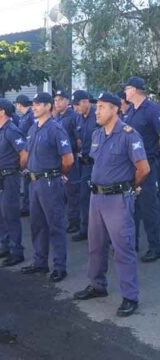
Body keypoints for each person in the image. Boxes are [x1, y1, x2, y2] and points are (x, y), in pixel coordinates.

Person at [74, 92, 150, 317]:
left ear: (115, 109)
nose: (97, 111)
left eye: (102, 108)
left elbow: (143, 169)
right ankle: (97, 285)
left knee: (122, 249)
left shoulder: (129, 135)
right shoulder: (97, 134)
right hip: (96, 198)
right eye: (96, 108)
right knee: (95, 245)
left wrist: (128, 187)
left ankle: (130, 296)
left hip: (118, 199)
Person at [21, 93, 74, 282]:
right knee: (37, 225)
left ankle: (60, 266)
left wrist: (58, 174)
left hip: (50, 182)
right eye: (33, 104)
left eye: (38, 104)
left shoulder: (55, 129)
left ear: (48, 106)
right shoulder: (34, 128)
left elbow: (68, 159)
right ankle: (40, 262)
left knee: (55, 225)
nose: (34, 107)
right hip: (34, 182)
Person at [123, 76, 160, 262]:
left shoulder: (152, 109)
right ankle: (133, 243)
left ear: (135, 90)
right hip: (132, 166)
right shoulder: (130, 111)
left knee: (149, 207)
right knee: (132, 207)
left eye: (127, 88)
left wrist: (153, 154)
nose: (124, 92)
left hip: (148, 164)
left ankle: (155, 246)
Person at [0, 98, 27, 266]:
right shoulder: (0, 130)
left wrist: (16, 169)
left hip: (9, 178)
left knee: (10, 215)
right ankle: (5, 245)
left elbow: (24, 153)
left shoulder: (12, 130)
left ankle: (16, 250)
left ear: (3, 111)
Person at [72, 90, 98, 241]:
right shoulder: (79, 119)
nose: (76, 108)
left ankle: (100, 233)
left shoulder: (98, 116)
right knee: (84, 197)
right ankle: (85, 229)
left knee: (99, 199)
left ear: (86, 101)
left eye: (77, 104)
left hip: (98, 164)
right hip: (84, 164)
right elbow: (79, 140)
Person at [54, 90, 81, 233]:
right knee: (62, 193)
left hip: (70, 160)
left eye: (60, 99)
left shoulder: (73, 117)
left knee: (72, 193)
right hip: (59, 161)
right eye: (55, 100)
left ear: (67, 101)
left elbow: (78, 141)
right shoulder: (57, 117)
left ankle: (75, 221)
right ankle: (68, 220)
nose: (57, 103)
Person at [14, 94, 35, 217]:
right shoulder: (25, 117)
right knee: (26, 181)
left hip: (29, 152)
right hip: (25, 151)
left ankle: (28, 206)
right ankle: (26, 206)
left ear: (19, 104)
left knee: (29, 181)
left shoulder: (30, 116)